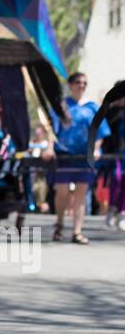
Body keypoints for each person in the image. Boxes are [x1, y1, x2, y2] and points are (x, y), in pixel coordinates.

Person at [50, 72, 109, 244]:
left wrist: (96, 149)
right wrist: (49, 147)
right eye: (77, 82)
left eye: (84, 82)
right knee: (62, 192)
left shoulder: (92, 107)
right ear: (70, 85)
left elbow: (100, 132)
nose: (81, 85)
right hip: (64, 155)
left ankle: (77, 232)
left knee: (81, 194)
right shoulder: (62, 106)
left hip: (84, 157)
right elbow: (51, 128)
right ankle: (59, 225)